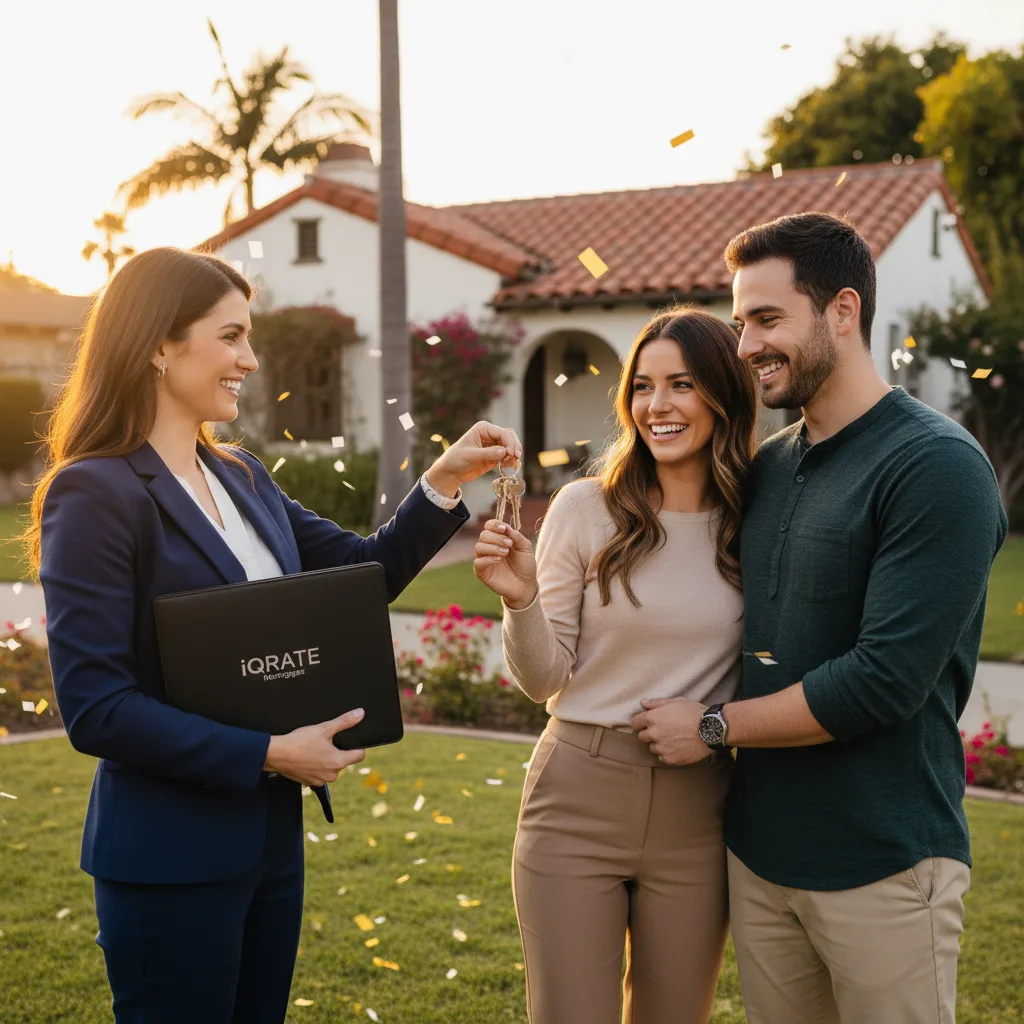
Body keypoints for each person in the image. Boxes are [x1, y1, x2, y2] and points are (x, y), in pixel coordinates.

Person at [23, 247, 523, 1024]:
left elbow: (360, 577)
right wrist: (267, 754)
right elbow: (95, 706)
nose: (250, 360)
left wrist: (445, 480)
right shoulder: (94, 493)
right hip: (166, 860)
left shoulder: (244, 476)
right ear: (159, 344)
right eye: (230, 337)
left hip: (269, 847)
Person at [631, 213, 1008, 1024]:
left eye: (767, 320)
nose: (744, 346)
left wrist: (712, 726)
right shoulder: (769, 465)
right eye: (740, 323)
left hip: (883, 865)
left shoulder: (935, 467)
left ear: (843, 310)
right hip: (760, 862)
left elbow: (882, 682)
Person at [473, 307, 757, 1023]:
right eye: (643, 386)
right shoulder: (583, 508)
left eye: (683, 384)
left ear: (723, 393)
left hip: (702, 807)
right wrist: (522, 599)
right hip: (577, 796)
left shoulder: (756, 519)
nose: (657, 406)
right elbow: (544, 680)